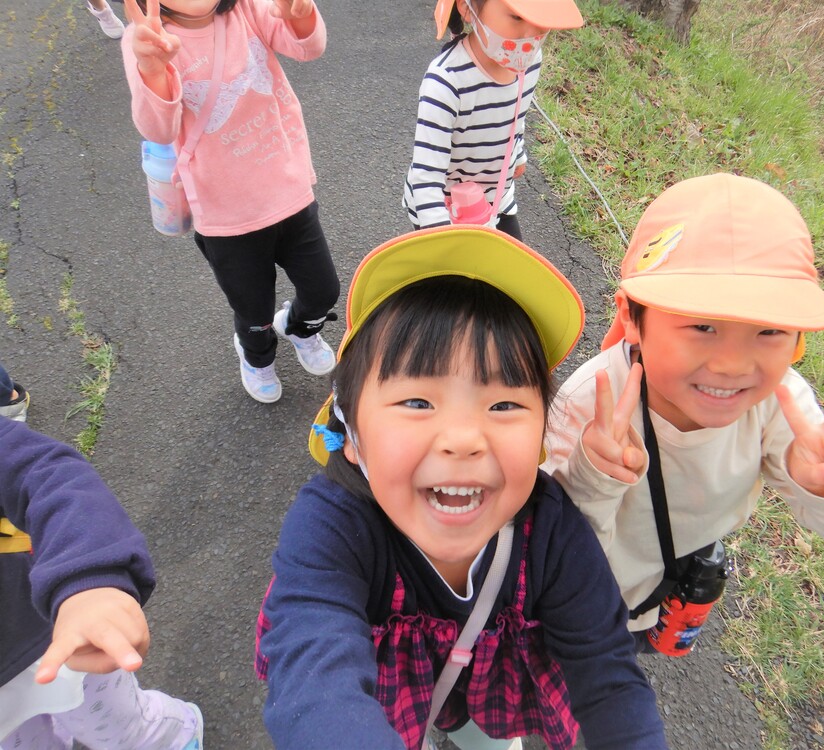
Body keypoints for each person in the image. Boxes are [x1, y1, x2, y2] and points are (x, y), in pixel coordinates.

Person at [255, 226, 669, 750]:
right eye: (417, 402)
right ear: (351, 437)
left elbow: (608, 674)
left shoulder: (549, 530)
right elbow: (314, 679)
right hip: (381, 705)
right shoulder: (331, 530)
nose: (463, 439)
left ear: (542, 433)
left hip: (488, 691)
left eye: (503, 405)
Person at [543, 173, 824, 646]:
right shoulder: (590, 407)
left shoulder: (780, 405)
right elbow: (550, 550)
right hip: (568, 608)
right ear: (631, 316)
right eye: (703, 326)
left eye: (768, 331)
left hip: (655, 599)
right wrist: (593, 477)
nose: (732, 365)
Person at [122, 0, 340, 403]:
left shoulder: (248, 10)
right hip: (225, 216)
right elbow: (158, 128)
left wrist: (300, 14)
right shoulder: (148, 38)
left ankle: (299, 328)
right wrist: (152, 70)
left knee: (324, 290)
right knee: (253, 312)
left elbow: (308, 48)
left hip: (288, 190)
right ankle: (256, 358)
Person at [0, 417, 203, 749]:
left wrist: (84, 579)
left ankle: (176, 738)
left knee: (122, 730)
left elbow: (44, 474)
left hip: (58, 635)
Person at [402, 0, 584, 241]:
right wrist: (442, 243)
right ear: (467, 8)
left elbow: (516, 117)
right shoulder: (445, 83)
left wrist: (517, 154)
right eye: (517, 18)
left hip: (496, 201)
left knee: (514, 273)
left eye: (540, 21)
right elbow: (426, 178)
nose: (530, 35)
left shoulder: (529, 62)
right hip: (443, 210)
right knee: (457, 277)